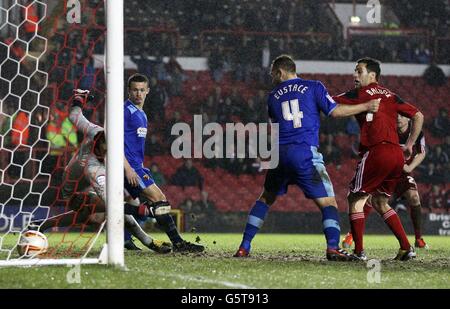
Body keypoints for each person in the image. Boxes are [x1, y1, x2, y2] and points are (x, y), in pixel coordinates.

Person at [233, 54, 381, 261]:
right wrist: (366, 106)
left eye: (273, 73)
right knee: (329, 204)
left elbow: (275, 124)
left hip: (280, 154)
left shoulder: (272, 96)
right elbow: (335, 112)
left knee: (265, 198)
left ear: (281, 72)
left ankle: (244, 246)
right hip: (304, 153)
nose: (272, 77)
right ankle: (332, 248)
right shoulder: (313, 86)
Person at [30, 89, 172, 254]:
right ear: (98, 143)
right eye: (107, 148)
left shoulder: (99, 136)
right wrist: (144, 211)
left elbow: (75, 115)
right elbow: (112, 205)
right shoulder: (94, 168)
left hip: (88, 183)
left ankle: (41, 224)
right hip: (74, 188)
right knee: (102, 212)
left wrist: (78, 99)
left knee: (93, 215)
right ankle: (147, 241)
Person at [333, 57, 424, 261]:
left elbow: (330, 103)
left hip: (377, 152)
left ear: (372, 75)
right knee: (381, 201)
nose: (355, 75)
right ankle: (406, 247)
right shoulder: (391, 95)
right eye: (355, 71)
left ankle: (359, 252)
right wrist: (409, 145)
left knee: (355, 198)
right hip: (396, 155)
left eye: (359, 71)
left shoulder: (359, 94)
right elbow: (418, 115)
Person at [123, 73, 204, 253]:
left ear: (147, 91)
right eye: (135, 90)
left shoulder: (141, 114)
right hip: (129, 167)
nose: (138, 93)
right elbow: (114, 141)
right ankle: (178, 243)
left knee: (140, 203)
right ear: (128, 91)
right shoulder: (125, 111)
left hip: (136, 166)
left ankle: (125, 236)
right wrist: (128, 169)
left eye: (142, 90)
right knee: (159, 200)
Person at [342, 114, 428, 250]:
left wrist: (410, 167)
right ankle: (352, 235)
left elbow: (421, 152)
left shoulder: (416, 132)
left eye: (402, 116)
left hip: (401, 173)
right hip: (383, 169)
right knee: (369, 199)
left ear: (409, 119)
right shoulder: (388, 129)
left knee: (414, 197)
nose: (398, 118)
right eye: (397, 116)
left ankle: (418, 238)